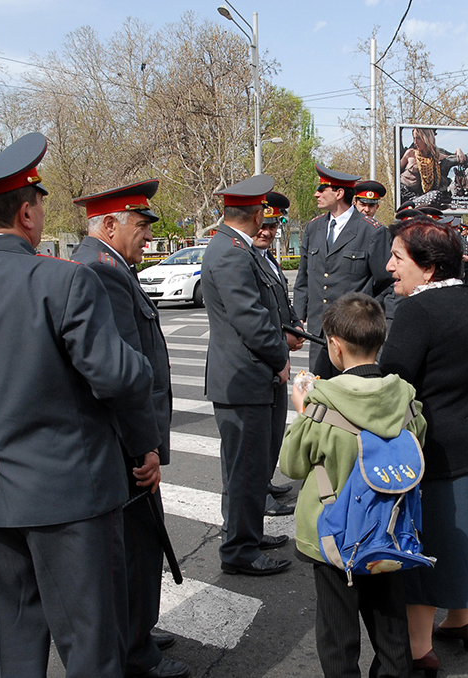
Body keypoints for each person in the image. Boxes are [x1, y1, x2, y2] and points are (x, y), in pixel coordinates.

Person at [0, 132, 154, 677]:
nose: (41, 215)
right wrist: (139, 363)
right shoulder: (62, 281)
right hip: (73, 498)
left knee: (15, 654)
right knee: (92, 651)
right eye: (39, 205)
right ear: (25, 213)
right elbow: (117, 379)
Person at [380, 216, 468, 677]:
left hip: (436, 450)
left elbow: (392, 386)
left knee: (425, 546)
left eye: (398, 258)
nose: (389, 266)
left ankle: (420, 651)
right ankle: (462, 619)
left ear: (429, 267)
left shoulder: (417, 312)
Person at [71, 181, 188, 678]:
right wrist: (145, 447)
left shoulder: (110, 265)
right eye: (140, 227)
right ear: (110, 224)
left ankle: (137, 628)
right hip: (123, 442)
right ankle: (135, 650)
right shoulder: (102, 273)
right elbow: (122, 373)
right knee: (135, 549)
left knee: (138, 546)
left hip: (122, 438)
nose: (147, 239)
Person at [280, 292, 427, 678]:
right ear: (380, 342)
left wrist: (302, 411)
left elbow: (291, 464)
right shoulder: (406, 398)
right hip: (390, 530)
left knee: (337, 635)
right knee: (391, 629)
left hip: (333, 537)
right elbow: (419, 446)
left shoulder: (322, 405)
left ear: (335, 346)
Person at [202, 174, 292, 576]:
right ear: (256, 213)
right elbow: (251, 320)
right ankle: (239, 549)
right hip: (245, 380)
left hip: (252, 379)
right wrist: (279, 358)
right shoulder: (231, 252)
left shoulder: (236, 248)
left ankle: (249, 535)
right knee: (244, 472)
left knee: (254, 467)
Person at [294, 163, 393, 377]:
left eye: (322, 189)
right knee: (322, 392)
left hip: (354, 334)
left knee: (352, 397)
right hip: (320, 333)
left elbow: (385, 283)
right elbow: (303, 277)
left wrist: (371, 321)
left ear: (339, 193)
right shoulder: (314, 228)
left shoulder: (371, 231)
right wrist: (298, 318)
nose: (316, 194)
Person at [254, 191, 304, 516]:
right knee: (259, 439)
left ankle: (266, 482)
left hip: (279, 357)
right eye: (264, 225)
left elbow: (279, 305)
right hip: (264, 361)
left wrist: (294, 324)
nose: (267, 232)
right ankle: (260, 496)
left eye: (273, 226)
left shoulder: (269, 259)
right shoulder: (247, 259)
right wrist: (281, 345)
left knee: (273, 432)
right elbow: (254, 318)